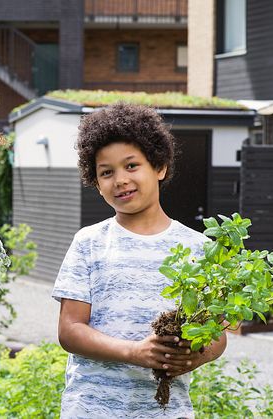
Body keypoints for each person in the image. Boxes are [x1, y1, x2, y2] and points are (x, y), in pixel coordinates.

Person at [52, 103, 227, 418]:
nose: (119, 180)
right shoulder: (89, 243)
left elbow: (217, 337)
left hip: (166, 411)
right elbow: (70, 329)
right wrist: (134, 352)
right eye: (106, 172)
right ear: (96, 181)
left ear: (159, 167)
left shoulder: (199, 248)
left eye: (131, 166)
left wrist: (193, 356)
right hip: (91, 409)